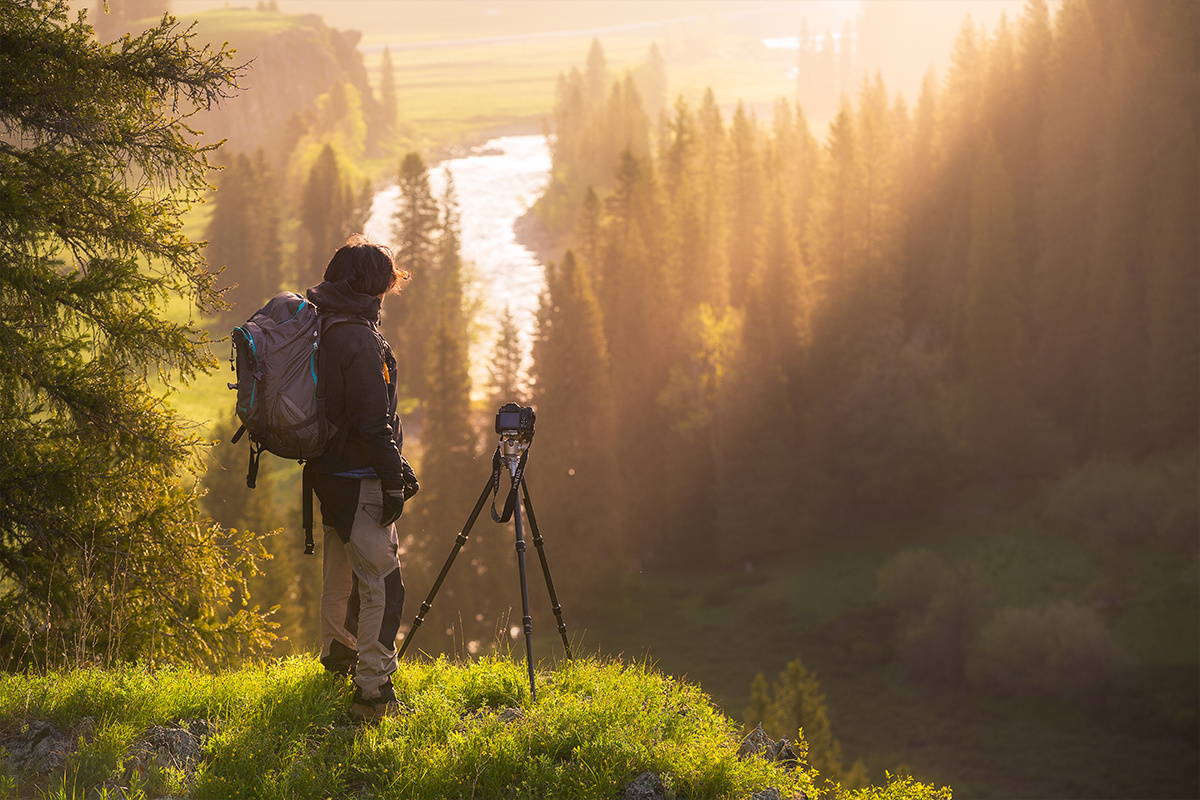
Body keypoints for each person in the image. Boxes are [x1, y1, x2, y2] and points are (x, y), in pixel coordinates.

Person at [305, 234, 418, 723]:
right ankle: (372, 694)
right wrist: (393, 481)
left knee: (341, 571)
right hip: (359, 479)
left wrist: (397, 467)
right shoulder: (359, 339)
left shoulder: (323, 325)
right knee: (384, 587)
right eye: (386, 288)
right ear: (373, 288)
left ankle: (339, 656)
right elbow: (373, 422)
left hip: (327, 474)